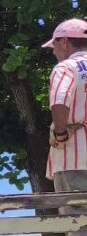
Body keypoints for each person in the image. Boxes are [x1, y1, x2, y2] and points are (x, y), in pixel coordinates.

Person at [44, 18, 87, 197]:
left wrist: (60, 132)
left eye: (54, 44)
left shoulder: (66, 68)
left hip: (74, 159)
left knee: (77, 220)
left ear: (65, 40)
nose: (53, 50)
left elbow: (60, 99)